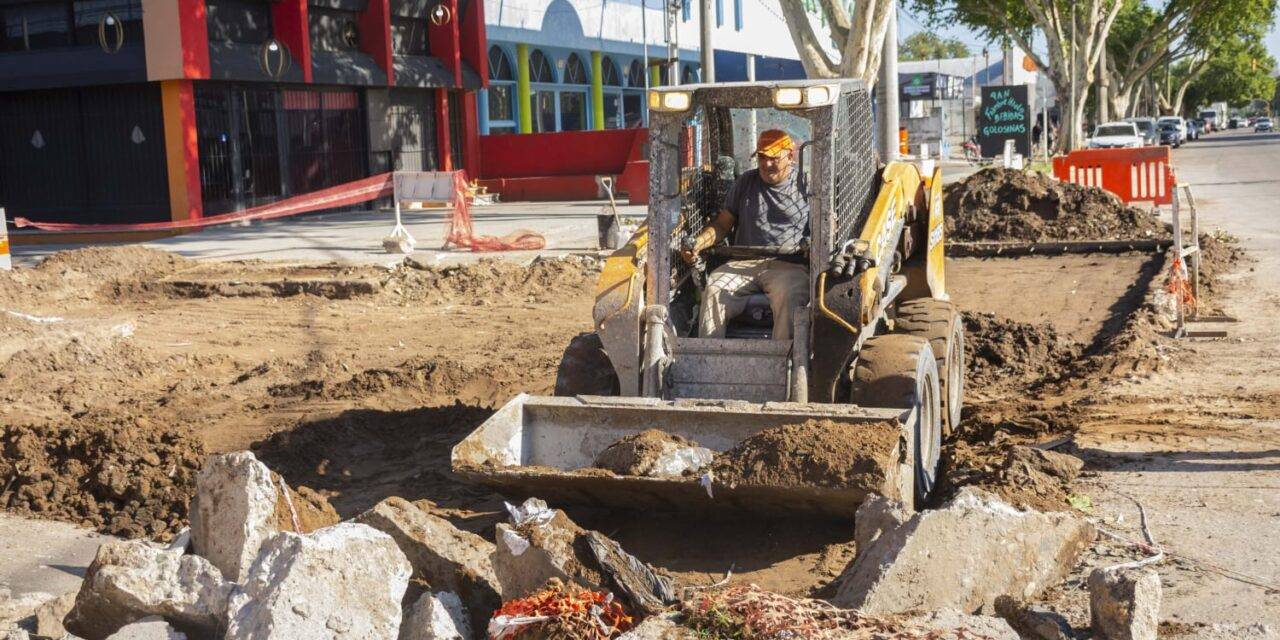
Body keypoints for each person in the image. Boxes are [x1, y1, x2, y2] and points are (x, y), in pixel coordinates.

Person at [681, 129, 810, 341]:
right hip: (743, 264)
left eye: (774, 158)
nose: (767, 164)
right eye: (762, 157)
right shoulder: (745, 183)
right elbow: (723, 224)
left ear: (791, 156)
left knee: (791, 296)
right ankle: (710, 360)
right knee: (714, 288)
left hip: (788, 265)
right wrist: (698, 243)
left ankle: (782, 363)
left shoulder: (806, 186)